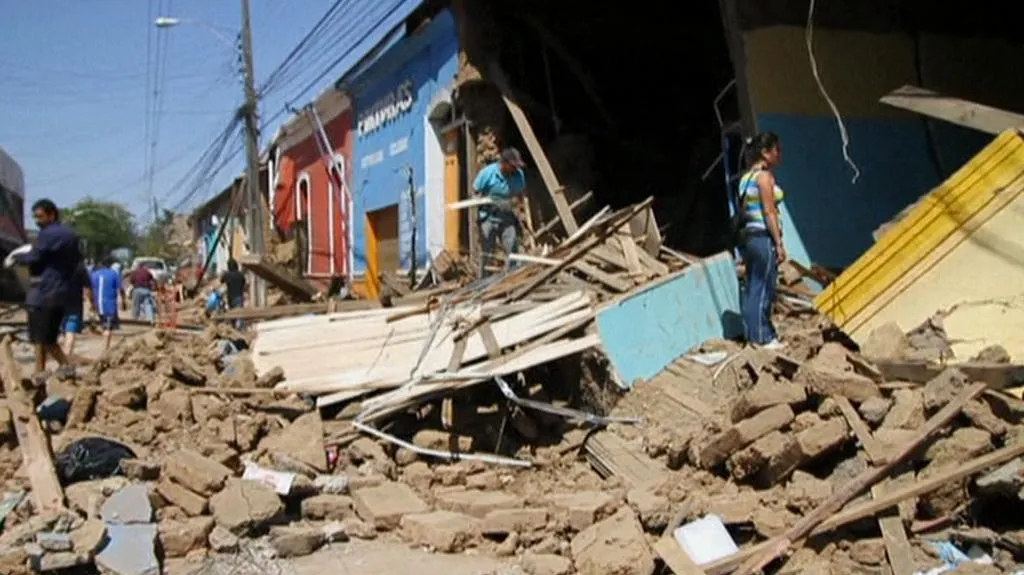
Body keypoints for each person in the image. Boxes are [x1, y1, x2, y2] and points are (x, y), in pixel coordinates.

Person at [13, 199, 81, 375]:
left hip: (45, 292)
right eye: (35, 217)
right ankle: (52, 370)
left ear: (52, 215)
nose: (37, 221)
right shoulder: (70, 235)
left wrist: (16, 259)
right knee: (47, 337)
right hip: (62, 292)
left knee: (41, 337)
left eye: (40, 216)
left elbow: (35, 257)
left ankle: (49, 371)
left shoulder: (47, 234)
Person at [738, 132, 787, 350]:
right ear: (766, 153)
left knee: (753, 286)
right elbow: (769, 211)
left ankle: (753, 332)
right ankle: (762, 337)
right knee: (764, 286)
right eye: (777, 150)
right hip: (762, 237)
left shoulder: (745, 179)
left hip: (749, 237)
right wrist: (778, 243)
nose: (779, 154)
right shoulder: (764, 178)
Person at [473, 147, 527, 277]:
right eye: (513, 166)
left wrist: (513, 203)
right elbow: (475, 191)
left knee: (512, 248)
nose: (515, 169)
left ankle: (513, 277)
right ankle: (484, 281)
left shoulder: (518, 175)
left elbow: (520, 195)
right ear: (504, 164)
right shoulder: (488, 173)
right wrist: (484, 201)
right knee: (487, 252)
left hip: (506, 216)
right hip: (488, 217)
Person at [90, 257, 125, 351]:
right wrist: (123, 301)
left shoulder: (94, 275)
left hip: (98, 304)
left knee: (104, 325)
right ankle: (106, 349)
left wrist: (91, 303)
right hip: (109, 305)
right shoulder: (113, 274)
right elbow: (121, 289)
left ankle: (105, 344)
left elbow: (89, 290)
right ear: (110, 265)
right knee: (108, 328)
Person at [62, 262, 94, 360]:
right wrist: (91, 302)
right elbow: (88, 287)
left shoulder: (56, 263)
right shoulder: (79, 266)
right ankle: (66, 357)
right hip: (74, 303)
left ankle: (62, 356)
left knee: (62, 329)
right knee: (70, 330)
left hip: (56, 301)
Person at [220, 259, 246, 330]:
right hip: (239, 296)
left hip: (231, 297)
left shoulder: (227, 275)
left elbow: (221, 281)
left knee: (232, 313)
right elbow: (244, 283)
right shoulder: (240, 274)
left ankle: (234, 328)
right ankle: (240, 329)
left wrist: (224, 274)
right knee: (240, 314)